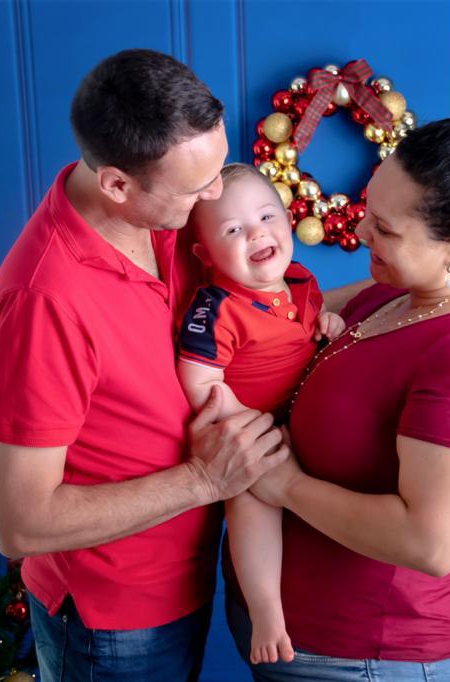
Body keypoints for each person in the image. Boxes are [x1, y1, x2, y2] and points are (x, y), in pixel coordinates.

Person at [0, 49, 291, 682]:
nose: (215, 195)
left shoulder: (164, 215)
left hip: (188, 574)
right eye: (196, 187)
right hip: (112, 620)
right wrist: (204, 480)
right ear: (117, 184)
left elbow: (259, 297)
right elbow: (17, 523)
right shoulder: (45, 300)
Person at [230, 103, 450, 681]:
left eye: (386, 229)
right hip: (299, 638)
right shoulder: (394, 292)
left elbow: (432, 542)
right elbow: (273, 319)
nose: (361, 231)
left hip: (369, 657)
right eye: (370, 211)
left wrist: (285, 485)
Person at [176, 163, 345, 666]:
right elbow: (198, 378)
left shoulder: (299, 283)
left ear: (289, 222)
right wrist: (241, 420)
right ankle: (266, 610)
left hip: (302, 421)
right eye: (232, 230)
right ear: (206, 254)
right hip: (251, 426)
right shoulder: (217, 306)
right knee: (252, 504)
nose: (256, 233)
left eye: (267, 216)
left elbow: (309, 325)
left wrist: (328, 321)